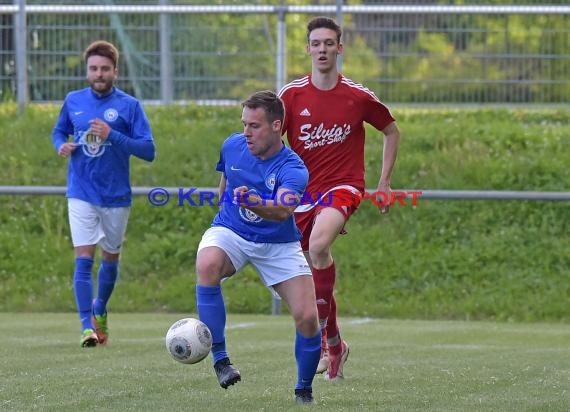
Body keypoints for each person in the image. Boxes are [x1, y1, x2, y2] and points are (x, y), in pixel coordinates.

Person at [278, 16, 401, 380]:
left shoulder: (357, 97)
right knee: (313, 267)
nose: (322, 49)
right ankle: (336, 344)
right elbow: (271, 137)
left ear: (339, 48)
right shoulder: (291, 95)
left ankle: (320, 345)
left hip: (343, 186)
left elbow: (391, 131)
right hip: (303, 194)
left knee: (318, 246)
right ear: (308, 49)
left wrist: (384, 182)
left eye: (329, 43)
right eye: (316, 43)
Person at [195, 90, 321, 404]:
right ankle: (221, 360)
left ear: (277, 125)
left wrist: (255, 202)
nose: (246, 133)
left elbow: (282, 210)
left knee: (307, 317)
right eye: (244, 124)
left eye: (255, 126)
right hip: (232, 230)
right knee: (207, 264)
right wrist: (225, 212)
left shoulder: (294, 168)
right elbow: (224, 182)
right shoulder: (232, 146)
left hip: (277, 243)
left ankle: (303, 390)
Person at [52, 40, 156, 348]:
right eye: (94, 69)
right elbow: (59, 130)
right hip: (81, 191)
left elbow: (148, 150)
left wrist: (113, 135)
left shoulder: (129, 106)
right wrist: (61, 144)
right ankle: (87, 327)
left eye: (105, 69)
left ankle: (100, 308)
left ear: (115, 71)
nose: (99, 74)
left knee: (110, 257)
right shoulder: (73, 101)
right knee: (84, 259)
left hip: (115, 196)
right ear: (87, 70)